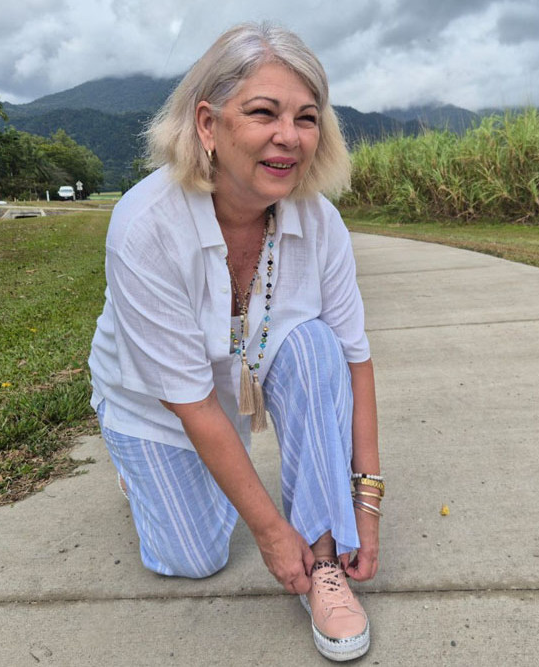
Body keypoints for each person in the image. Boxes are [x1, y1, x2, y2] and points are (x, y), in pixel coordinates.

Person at [87, 22, 382, 662]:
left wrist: (366, 504)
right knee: (193, 558)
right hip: (158, 404)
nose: (289, 137)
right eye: (263, 113)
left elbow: (355, 362)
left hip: (246, 376)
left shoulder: (320, 222)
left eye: (307, 118)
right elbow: (191, 402)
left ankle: (324, 561)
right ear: (207, 124)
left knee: (313, 345)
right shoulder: (145, 227)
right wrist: (273, 534)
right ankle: (131, 463)